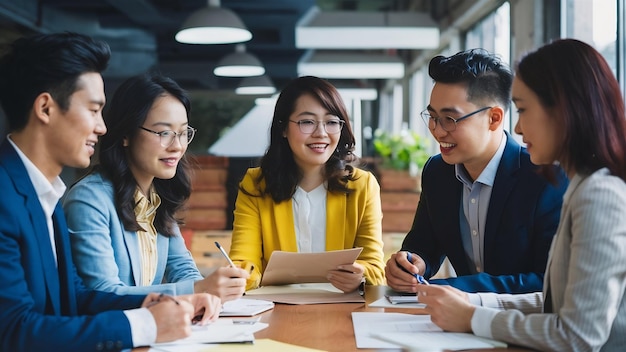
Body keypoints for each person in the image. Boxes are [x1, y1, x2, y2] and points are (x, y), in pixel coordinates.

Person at [0, 32, 220, 351]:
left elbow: (74, 297)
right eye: (93, 110)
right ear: (46, 108)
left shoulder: (44, 195)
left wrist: (155, 302)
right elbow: (13, 330)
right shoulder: (6, 199)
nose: (102, 127)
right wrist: (145, 325)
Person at [417, 38, 626, 351]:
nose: (517, 128)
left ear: (564, 112)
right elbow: (553, 301)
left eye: (524, 110)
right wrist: (470, 304)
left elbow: (578, 335)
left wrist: (473, 317)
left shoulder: (599, 195)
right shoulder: (583, 186)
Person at [385, 48, 568, 294]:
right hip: (458, 322)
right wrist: (411, 265)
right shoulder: (437, 172)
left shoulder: (545, 177)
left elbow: (546, 279)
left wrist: (450, 287)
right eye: (432, 116)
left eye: (450, 119)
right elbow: (423, 245)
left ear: (493, 118)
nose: (438, 131)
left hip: (523, 323)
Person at [62, 72, 248, 302]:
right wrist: (199, 290)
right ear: (126, 134)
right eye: (164, 133)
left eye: (182, 133)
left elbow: (182, 269)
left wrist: (207, 294)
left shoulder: (156, 196)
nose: (177, 146)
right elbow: (103, 294)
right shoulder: (89, 200)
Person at [228, 75, 385, 292]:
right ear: (283, 128)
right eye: (307, 122)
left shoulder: (362, 185)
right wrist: (240, 276)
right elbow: (244, 260)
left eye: (331, 122)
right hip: (275, 311)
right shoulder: (256, 184)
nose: (321, 133)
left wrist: (360, 274)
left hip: (343, 311)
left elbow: (376, 269)